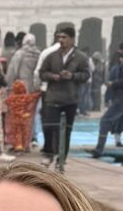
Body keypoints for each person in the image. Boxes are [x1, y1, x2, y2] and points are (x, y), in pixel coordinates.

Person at [34, 24, 89, 169]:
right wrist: (52, 76)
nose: (61, 40)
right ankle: (48, 154)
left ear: (72, 39)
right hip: (53, 96)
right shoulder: (52, 56)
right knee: (49, 127)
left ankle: (61, 158)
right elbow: (42, 72)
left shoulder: (80, 57)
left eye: (64, 37)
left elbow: (86, 75)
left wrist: (72, 76)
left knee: (66, 130)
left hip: (70, 98)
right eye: (59, 37)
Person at [94, 37, 123, 162]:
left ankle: (99, 149)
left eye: (121, 50)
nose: (119, 52)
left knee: (105, 120)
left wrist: (112, 84)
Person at [0, 75, 38, 154]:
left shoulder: (11, 98)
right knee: (25, 132)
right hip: (25, 117)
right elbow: (33, 97)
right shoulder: (26, 97)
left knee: (16, 132)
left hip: (14, 118)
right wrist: (40, 93)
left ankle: (18, 146)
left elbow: (6, 101)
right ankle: (24, 146)